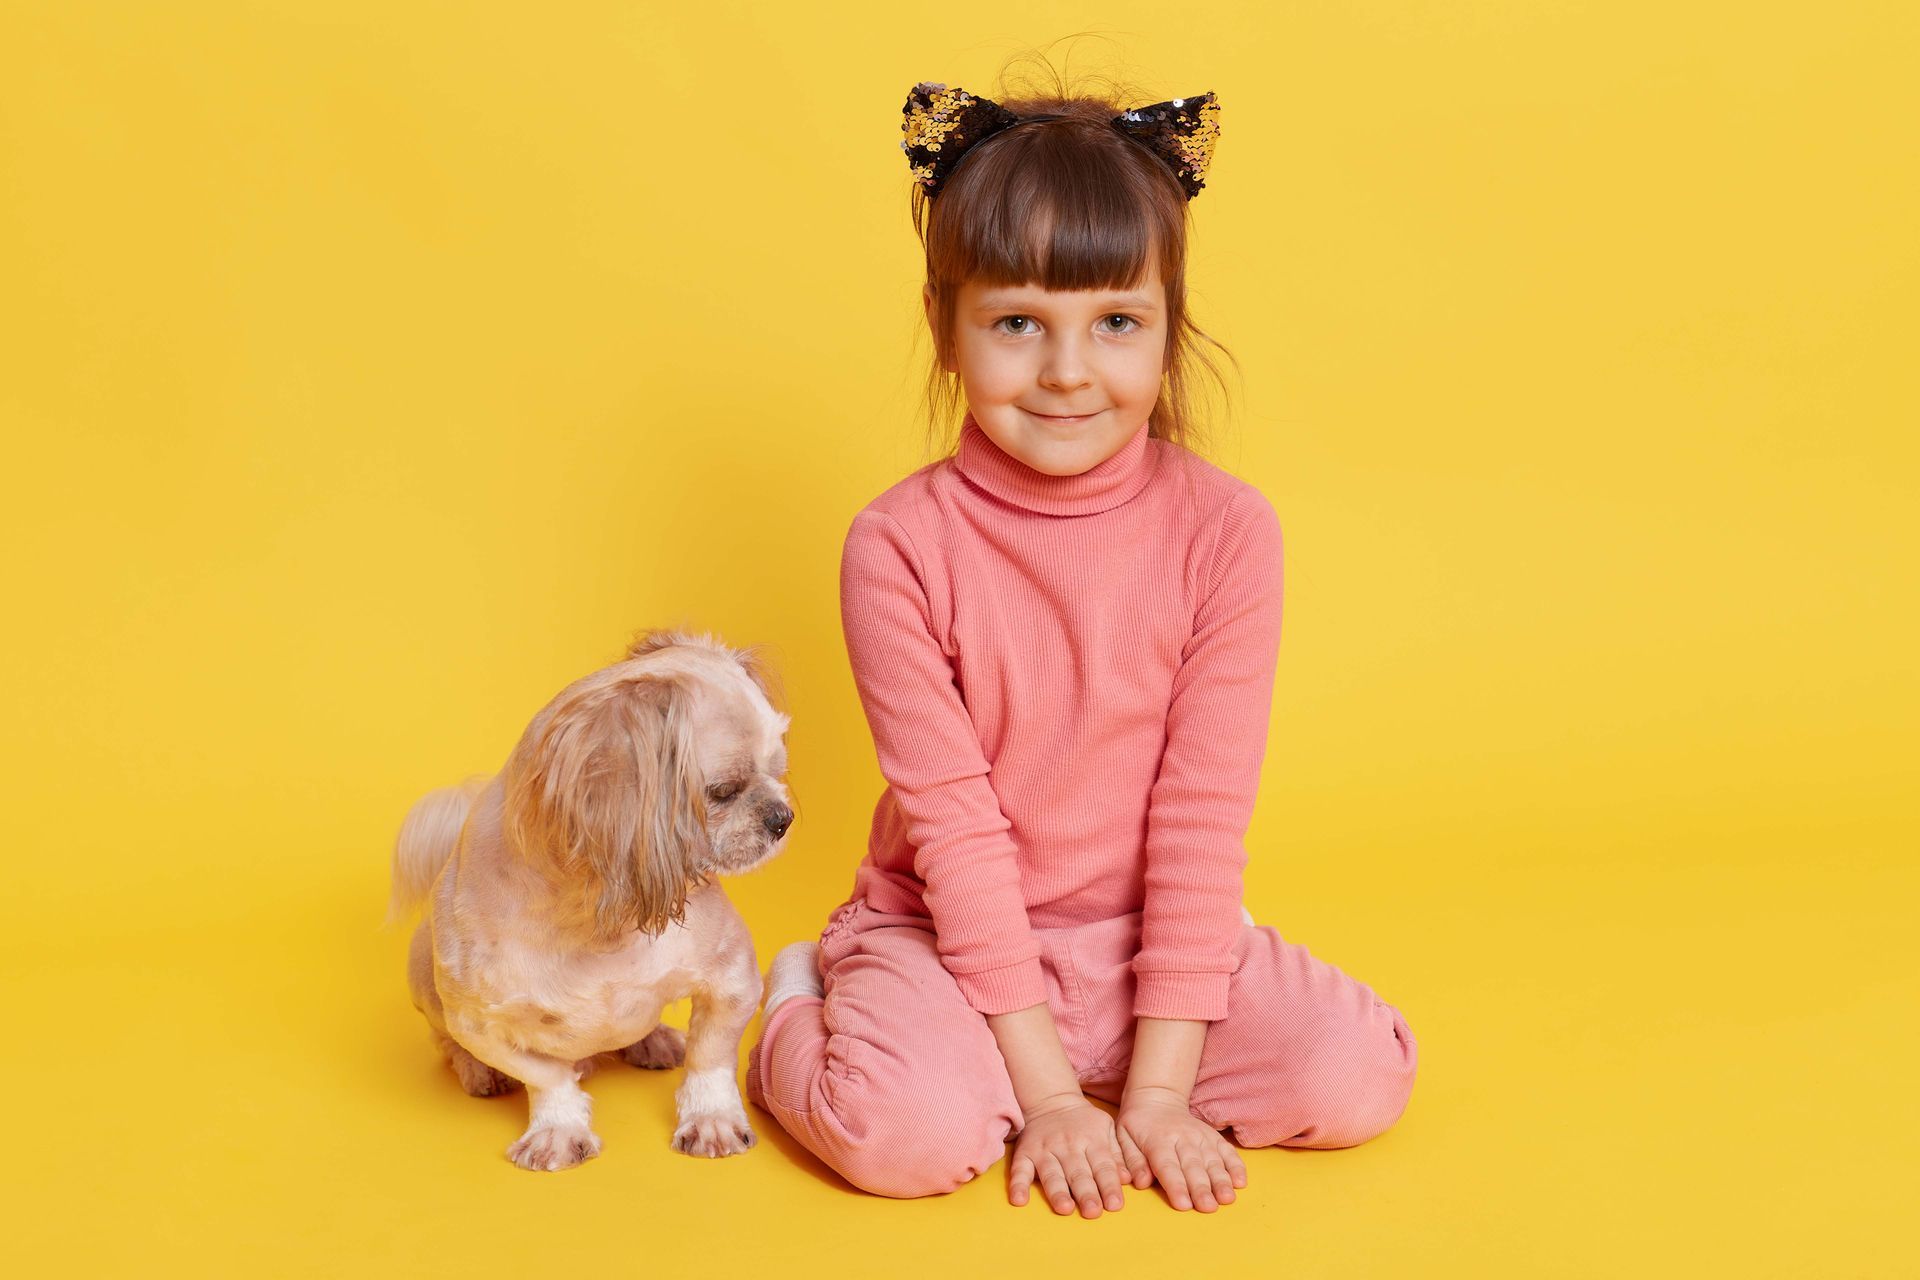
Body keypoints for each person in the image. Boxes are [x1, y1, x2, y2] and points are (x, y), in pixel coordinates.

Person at [744, 75, 1417, 1218]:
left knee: (1358, 1075)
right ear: (946, 327)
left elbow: (1203, 812)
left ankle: (1130, 1037)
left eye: (1115, 322)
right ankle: (800, 1004)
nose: (1066, 372)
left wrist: (1156, 1091)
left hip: (1146, 935)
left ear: (1169, 323)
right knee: (902, 1136)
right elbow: (955, 828)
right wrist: (1054, 1099)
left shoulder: (1228, 531)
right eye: (1017, 323)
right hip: (951, 933)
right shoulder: (900, 544)